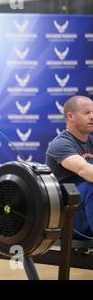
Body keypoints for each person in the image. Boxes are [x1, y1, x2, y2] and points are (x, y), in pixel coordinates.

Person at [46, 95, 93, 240]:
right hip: (67, 216)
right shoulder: (60, 144)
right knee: (89, 185)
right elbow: (84, 170)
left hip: (86, 209)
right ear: (70, 116)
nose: (92, 117)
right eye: (87, 113)